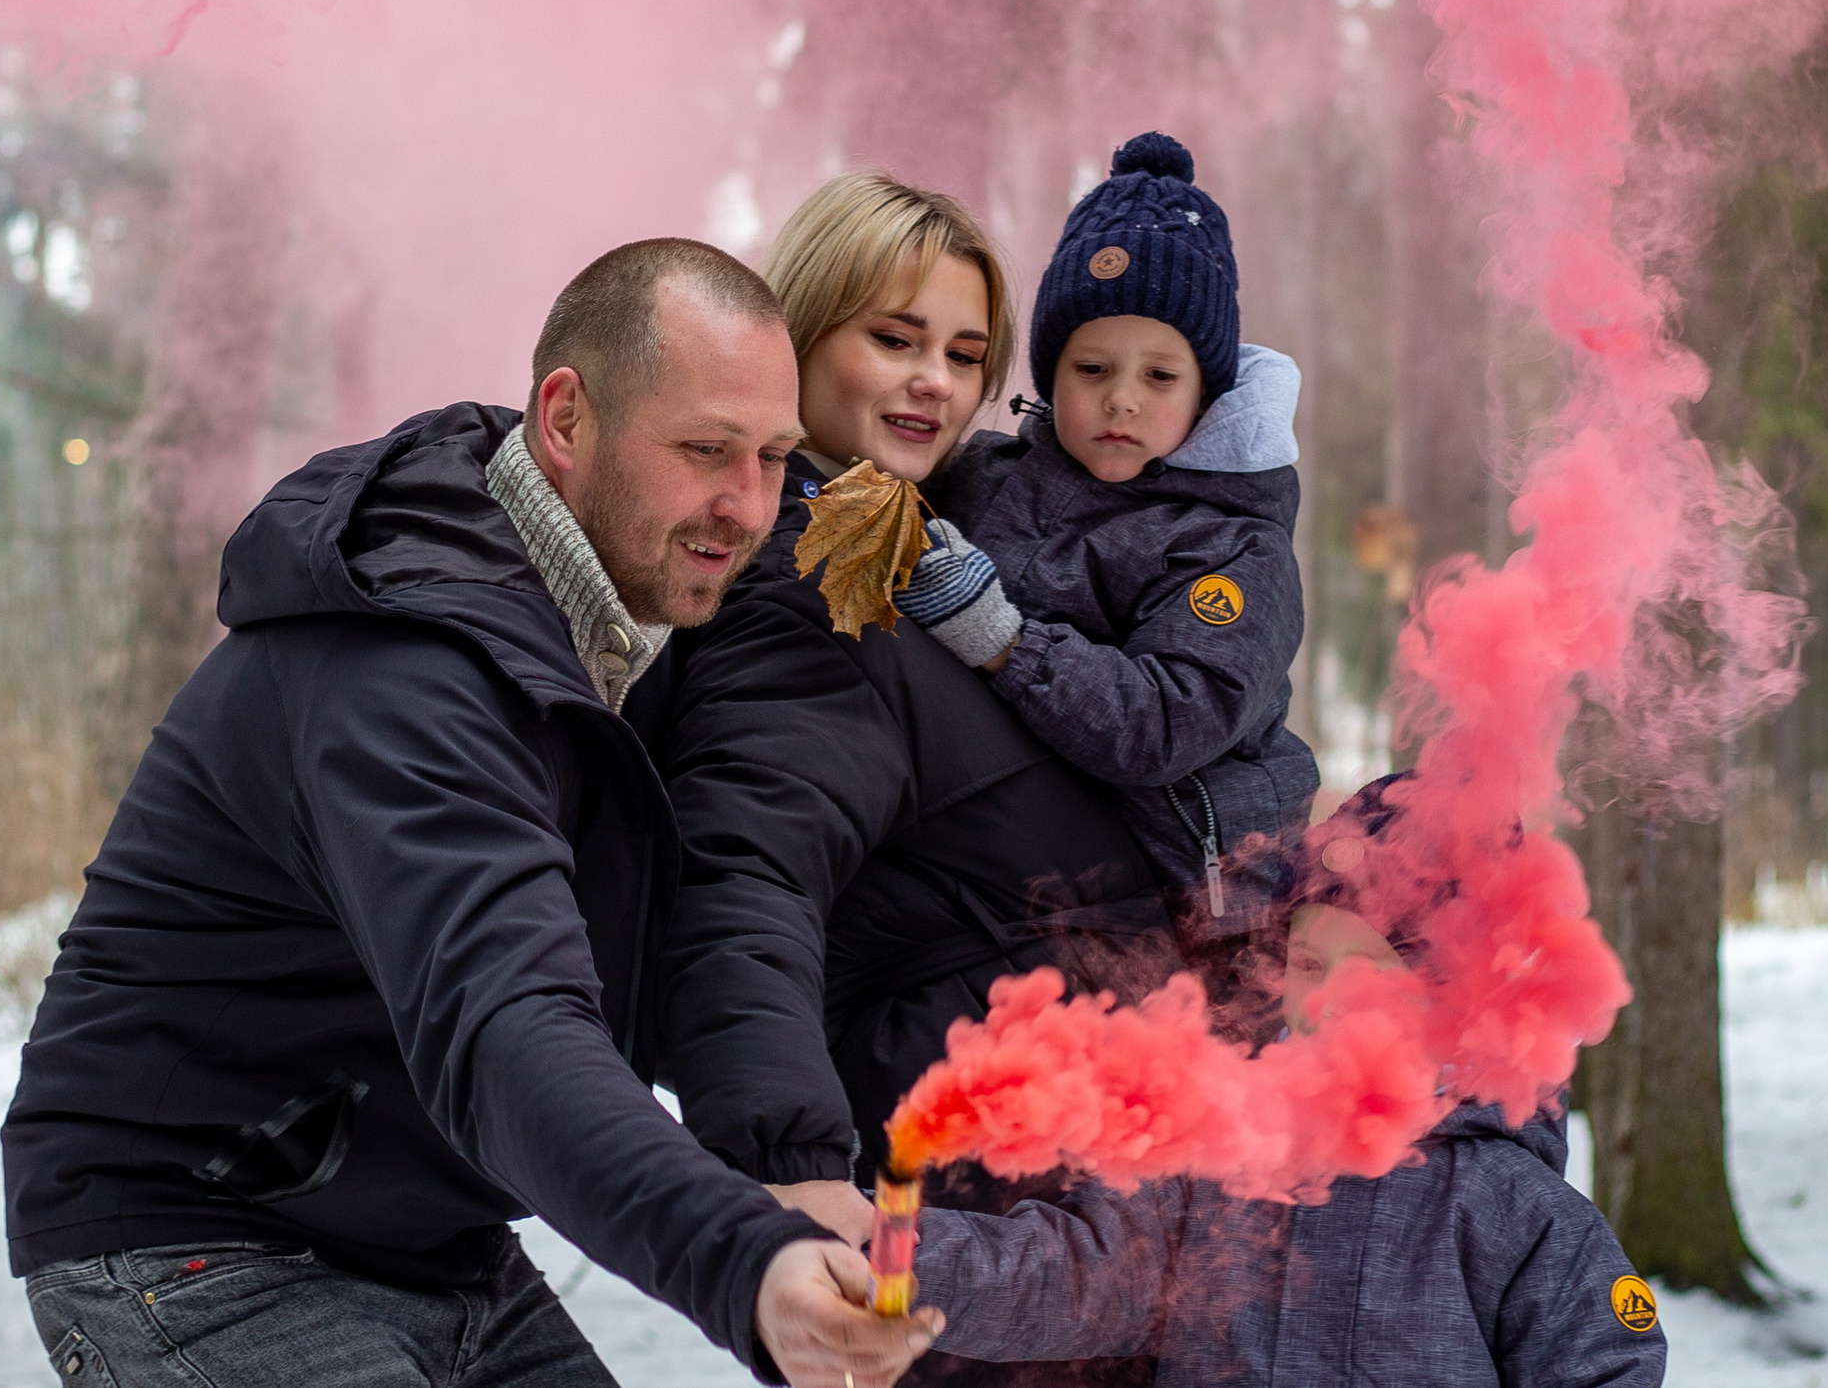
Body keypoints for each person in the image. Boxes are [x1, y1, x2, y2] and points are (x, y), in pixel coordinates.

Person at [0, 239, 943, 1388]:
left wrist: (783, 1160)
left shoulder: (629, 630)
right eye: (704, 449)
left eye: (772, 457)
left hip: (424, 1234)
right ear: (565, 418)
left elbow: (734, 896)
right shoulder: (406, 668)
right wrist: (745, 1261)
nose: (745, 506)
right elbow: (507, 1025)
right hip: (193, 1235)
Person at [638, 173, 1186, 1387]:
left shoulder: (918, 563)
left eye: (964, 351)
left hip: (1067, 1194)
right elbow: (746, 873)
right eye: (891, 338)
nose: (932, 380)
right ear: (798, 337)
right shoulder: (812, 588)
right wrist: (787, 1169)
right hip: (980, 1203)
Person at [904, 899, 1667, 1387]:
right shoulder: (1219, 1159)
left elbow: (1608, 1367)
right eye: (1308, 964)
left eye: (1370, 969)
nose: (1328, 997)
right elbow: (1065, 1274)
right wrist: (882, 1253)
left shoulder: (1512, 1207)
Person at [897, 131, 1318, 953]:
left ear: (1206, 393)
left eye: (1159, 376)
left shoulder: (1232, 548)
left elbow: (1165, 722)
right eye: (1092, 370)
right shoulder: (984, 477)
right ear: (1051, 377)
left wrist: (1004, 642)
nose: (1122, 400)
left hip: (1191, 910)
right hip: (1023, 871)